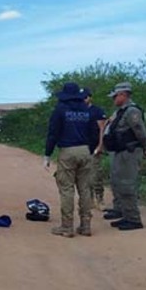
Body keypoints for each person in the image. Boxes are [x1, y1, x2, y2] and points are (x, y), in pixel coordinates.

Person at [44, 82, 99, 238]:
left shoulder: (60, 110)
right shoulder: (87, 111)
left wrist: (47, 154)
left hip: (67, 151)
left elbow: (53, 133)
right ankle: (86, 225)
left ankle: (67, 227)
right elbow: (94, 132)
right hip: (85, 150)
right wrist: (90, 149)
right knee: (85, 189)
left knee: (67, 189)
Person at [102, 82, 146, 231]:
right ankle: (124, 213)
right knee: (118, 182)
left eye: (115, 96)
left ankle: (133, 219)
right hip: (121, 151)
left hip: (129, 152)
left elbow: (140, 131)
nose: (113, 99)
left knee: (126, 184)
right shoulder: (121, 111)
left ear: (123, 95)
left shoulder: (132, 111)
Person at [82, 87, 108, 209]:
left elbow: (102, 129)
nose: (84, 99)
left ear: (89, 97)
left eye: (85, 97)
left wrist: (100, 145)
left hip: (94, 147)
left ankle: (100, 198)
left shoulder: (96, 111)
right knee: (84, 175)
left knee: (95, 174)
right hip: (82, 147)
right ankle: (89, 199)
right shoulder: (77, 111)